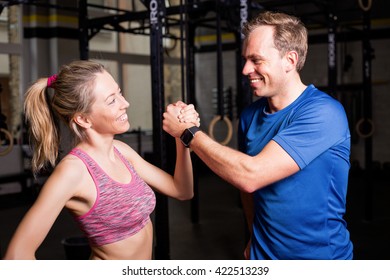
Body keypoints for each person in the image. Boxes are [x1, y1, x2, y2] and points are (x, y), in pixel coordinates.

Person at [163, 11, 353, 260]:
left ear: (290, 60)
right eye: (245, 59)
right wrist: (255, 236)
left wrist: (188, 133)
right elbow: (249, 191)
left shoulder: (324, 113)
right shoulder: (250, 115)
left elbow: (250, 175)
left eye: (256, 60)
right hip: (262, 257)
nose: (245, 69)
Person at [3, 60, 199, 260]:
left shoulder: (122, 152)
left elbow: (182, 190)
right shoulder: (74, 171)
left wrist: (182, 137)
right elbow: (16, 257)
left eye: (120, 93)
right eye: (111, 100)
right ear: (83, 119)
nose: (125, 103)